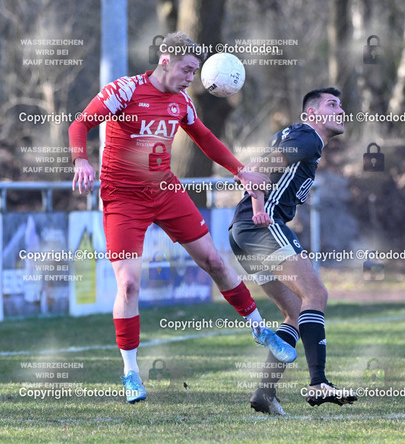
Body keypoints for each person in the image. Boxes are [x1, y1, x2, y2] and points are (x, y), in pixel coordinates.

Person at [68, 31, 296, 403]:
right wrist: (81, 160)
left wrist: (240, 171)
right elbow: (79, 124)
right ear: (165, 61)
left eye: (195, 71)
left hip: (166, 191)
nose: (192, 78)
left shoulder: (181, 101)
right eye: (187, 70)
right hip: (123, 198)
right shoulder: (124, 91)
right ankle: (131, 372)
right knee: (128, 285)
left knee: (214, 261)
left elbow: (205, 138)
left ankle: (260, 329)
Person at [229, 87, 358, 415]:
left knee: (297, 312)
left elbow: (258, 167)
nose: (340, 111)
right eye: (332, 105)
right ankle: (318, 383)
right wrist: (260, 209)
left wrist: (256, 205)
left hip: (242, 233)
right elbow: (259, 167)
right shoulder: (309, 137)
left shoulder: (299, 137)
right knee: (316, 294)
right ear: (312, 113)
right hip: (260, 227)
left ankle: (265, 392)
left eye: (341, 105)